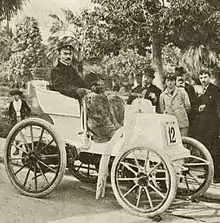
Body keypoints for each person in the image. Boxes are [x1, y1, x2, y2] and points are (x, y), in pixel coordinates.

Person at [50, 43, 124, 142]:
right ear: (59, 55)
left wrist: (92, 87)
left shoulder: (71, 69)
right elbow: (61, 86)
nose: (68, 57)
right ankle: (105, 130)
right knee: (95, 99)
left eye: (70, 54)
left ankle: (115, 124)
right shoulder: (56, 71)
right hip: (67, 97)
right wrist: (76, 90)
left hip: (76, 96)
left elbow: (81, 83)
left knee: (111, 98)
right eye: (65, 54)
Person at [193, 70, 220, 183]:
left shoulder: (215, 90)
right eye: (201, 77)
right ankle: (207, 173)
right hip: (203, 126)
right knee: (205, 150)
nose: (203, 80)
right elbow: (196, 105)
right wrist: (199, 107)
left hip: (212, 126)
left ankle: (218, 175)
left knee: (214, 150)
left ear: (210, 77)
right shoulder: (200, 90)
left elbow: (216, 107)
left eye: (205, 77)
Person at [159, 73, 191, 137]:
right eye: (168, 81)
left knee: (183, 142)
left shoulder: (182, 92)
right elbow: (162, 110)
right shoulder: (163, 95)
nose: (170, 83)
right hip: (169, 124)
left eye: (172, 80)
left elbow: (188, 106)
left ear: (175, 81)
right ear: (165, 82)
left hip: (182, 123)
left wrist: (181, 114)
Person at [8, 88, 31, 155]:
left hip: (22, 119)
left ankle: (27, 150)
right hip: (15, 120)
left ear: (19, 96)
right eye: (14, 95)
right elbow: (9, 112)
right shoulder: (12, 103)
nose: (15, 96)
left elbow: (29, 110)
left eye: (17, 95)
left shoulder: (23, 102)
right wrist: (11, 118)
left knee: (23, 135)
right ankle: (17, 150)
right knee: (16, 136)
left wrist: (26, 116)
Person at [175, 67, 197, 136]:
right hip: (175, 118)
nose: (180, 78)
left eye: (182, 75)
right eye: (178, 76)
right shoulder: (171, 88)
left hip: (188, 119)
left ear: (185, 76)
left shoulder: (190, 88)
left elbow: (193, 104)